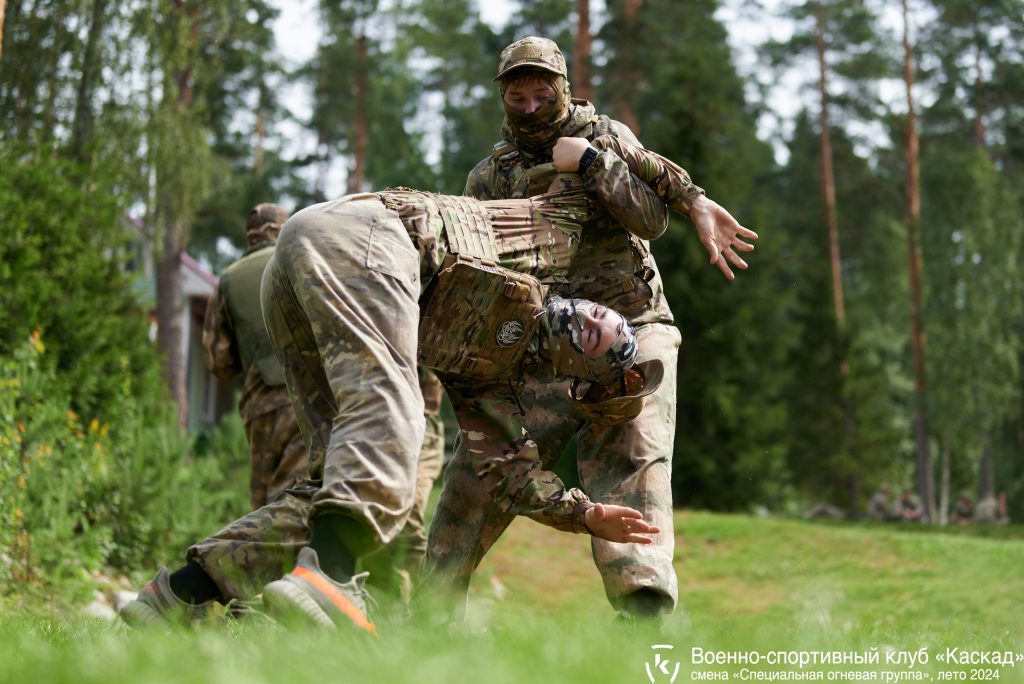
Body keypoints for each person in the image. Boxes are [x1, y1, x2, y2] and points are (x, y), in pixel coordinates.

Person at [120, 164, 709, 631]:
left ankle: (173, 595)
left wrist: (585, 513)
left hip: (304, 268)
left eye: (596, 338)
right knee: (396, 417)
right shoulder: (556, 236)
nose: (595, 317)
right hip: (365, 233)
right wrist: (687, 198)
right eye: (602, 315)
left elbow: (512, 473)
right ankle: (328, 580)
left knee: (340, 477)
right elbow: (612, 166)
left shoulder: (492, 387)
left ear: (574, 373)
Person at [426, 36, 757, 619]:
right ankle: (431, 611)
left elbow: (650, 219)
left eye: (541, 93)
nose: (530, 107)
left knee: (633, 451)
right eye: (517, 96)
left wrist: (589, 163)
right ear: (503, 98)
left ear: (563, 89)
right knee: (478, 469)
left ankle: (644, 606)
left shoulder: (604, 137)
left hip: (635, 323)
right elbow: (480, 272)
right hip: (549, 343)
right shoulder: (490, 176)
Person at [203, 203, 308, 510]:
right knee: (299, 501)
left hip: (259, 406)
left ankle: (251, 556)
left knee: (263, 506)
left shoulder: (228, 280)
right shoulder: (302, 261)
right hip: (308, 398)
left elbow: (218, 362)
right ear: (283, 230)